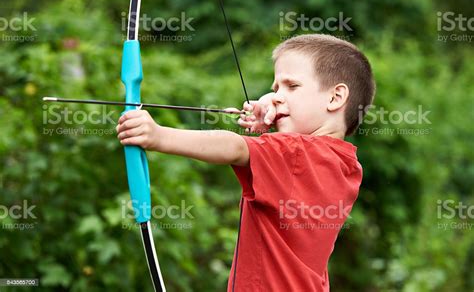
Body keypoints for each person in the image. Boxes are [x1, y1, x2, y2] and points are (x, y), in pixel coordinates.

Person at [116, 34, 376, 291]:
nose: (276, 97)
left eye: (292, 86)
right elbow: (287, 176)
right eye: (275, 88)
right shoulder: (344, 164)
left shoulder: (295, 155)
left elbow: (234, 147)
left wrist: (159, 136)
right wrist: (270, 125)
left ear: (335, 97)